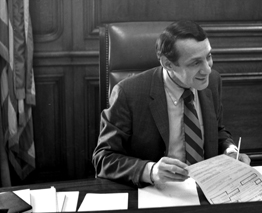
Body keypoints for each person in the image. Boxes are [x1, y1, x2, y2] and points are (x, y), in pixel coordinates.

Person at [92, 20, 250, 188]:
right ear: (168, 64)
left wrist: (230, 150)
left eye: (208, 57)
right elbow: (103, 158)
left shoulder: (212, 81)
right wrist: (151, 171)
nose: (207, 69)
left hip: (207, 188)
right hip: (156, 192)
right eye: (195, 63)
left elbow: (216, 130)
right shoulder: (128, 93)